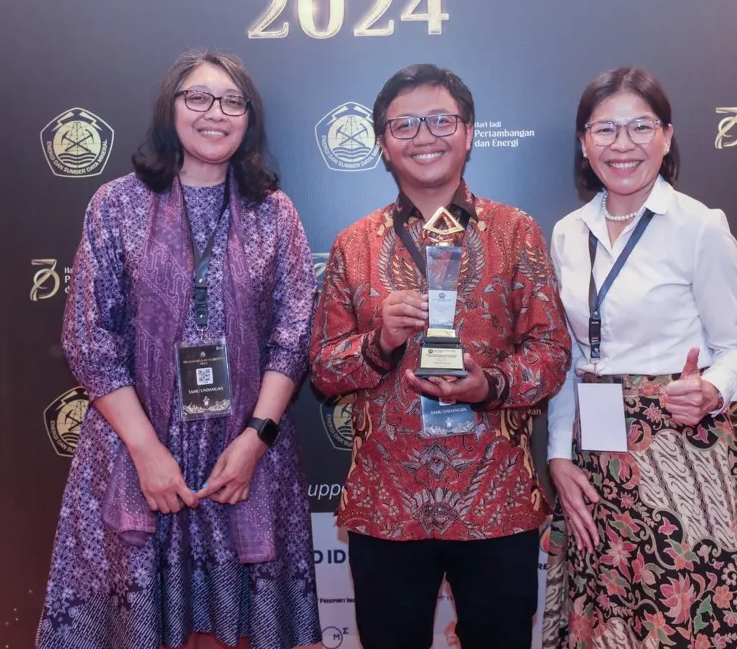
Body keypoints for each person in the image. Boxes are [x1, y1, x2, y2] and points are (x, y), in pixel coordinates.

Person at [37, 51, 321, 649]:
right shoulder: (115, 205)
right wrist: (146, 452)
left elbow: (294, 334)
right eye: (198, 97)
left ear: (250, 118)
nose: (214, 112)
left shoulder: (275, 214)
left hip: (244, 459)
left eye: (231, 100)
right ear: (170, 109)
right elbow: (90, 338)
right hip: (135, 454)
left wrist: (254, 441)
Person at [310, 64, 571, 649]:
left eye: (440, 120)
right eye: (404, 125)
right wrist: (379, 342)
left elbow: (552, 353)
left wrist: (491, 385)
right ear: (381, 142)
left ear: (470, 132)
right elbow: (325, 370)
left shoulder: (516, 231)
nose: (423, 136)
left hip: (497, 499)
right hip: (387, 506)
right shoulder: (355, 244)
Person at [541, 67, 737, 649]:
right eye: (605, 129)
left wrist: (713, 390)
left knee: (686, 616)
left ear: (666, 137)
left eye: (639, 127)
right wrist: (557, 455)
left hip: (681, 448)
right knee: (605, 619)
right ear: (584, 142)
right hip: (597, 456)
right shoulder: (569, 233)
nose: (622, 145)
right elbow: (570, 354)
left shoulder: (699, 226)